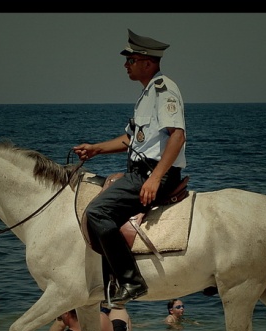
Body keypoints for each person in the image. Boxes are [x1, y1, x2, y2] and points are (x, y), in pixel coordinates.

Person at [74, 29, 186, 306]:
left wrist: (155, 179)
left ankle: (131, 281)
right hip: (140, 172)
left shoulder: (164, 90)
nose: (126, 65)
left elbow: (177, 135)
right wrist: (96, 148)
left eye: (131, 60)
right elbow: (131, 139)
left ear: (148, 62)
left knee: (97, 212)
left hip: (154, 175)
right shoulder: (147, 94)